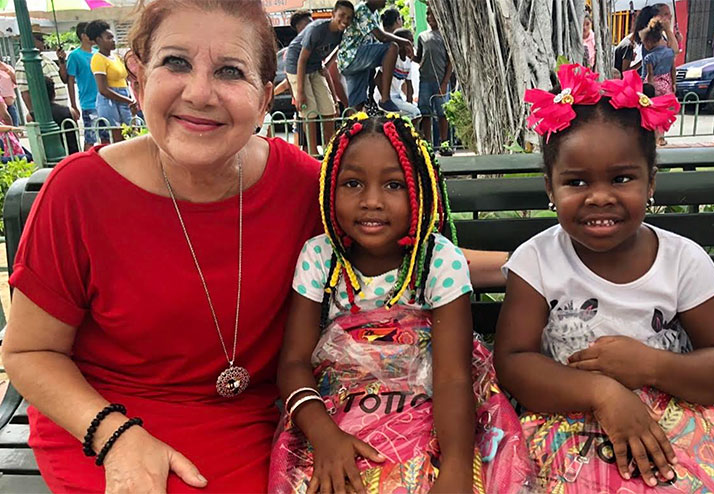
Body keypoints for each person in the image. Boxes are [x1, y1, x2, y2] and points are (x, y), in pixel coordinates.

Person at [0, 1, 508, 492]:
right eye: (175, 62)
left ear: (267, 96)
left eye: (229, 72)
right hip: (109, 422)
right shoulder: (80, 192)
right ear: (136, 76)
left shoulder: (307, 186)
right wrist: (117, 438)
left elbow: (403, 257)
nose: (200, 93)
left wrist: (537, 266)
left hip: (262, 419)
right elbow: (29, 351)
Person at [498, 64, 714, 493]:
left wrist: (652, 365)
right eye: (576, 181)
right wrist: (603, 393)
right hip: (568, 413)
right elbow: (514, 363)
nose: (600, 196)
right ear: (550, 188)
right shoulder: (538, 261)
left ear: (651, 181)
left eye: (622, 178)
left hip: (673, 418)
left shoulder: (680, 261)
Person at [270, 114, 531, 494]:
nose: (371, 201)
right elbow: (293, 363)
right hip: (334, 412)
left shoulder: (438, 261)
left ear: (420, 190)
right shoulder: (321, 258)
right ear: (329, 190)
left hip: (433, 405)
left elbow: (452, 377)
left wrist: (456, 466)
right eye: (353, 183)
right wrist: (324, 435)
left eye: (394, 184)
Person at [285, 0, 354, 156]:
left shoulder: (341, 34)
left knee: (329, 108)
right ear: (333, 14)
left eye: (349, 18)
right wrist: (300, 92)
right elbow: (302, 60)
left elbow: (331, 57)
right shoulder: (317, 30)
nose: (345, 21)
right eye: (342, 15)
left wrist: (324, 68)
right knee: (310, 110)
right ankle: (312, 151)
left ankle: (330, 148)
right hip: (297, 66)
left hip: (315, 67)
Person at [336, 0, 414, 112]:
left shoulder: (375, 14)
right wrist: (405, 42)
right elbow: (381, 37)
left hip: (353, 61)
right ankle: (385, 99)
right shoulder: (362, 10)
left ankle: (350, 126)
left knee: (356, 105)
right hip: (352, 56)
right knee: (392, 47)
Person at [88, 20, 138, 144]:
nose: (113, 40)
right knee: (118, 137)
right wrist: (127, 100)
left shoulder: (115, 57)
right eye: (108, 38)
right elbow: (103, 89)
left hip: (124, 96)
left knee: (132, 132)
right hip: (110, 101)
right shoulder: (98, 59)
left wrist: (130, 97)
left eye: (112, 37)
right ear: (99, 40)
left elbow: (124, 79)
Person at [415, 9, 452, 154]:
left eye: (432, 13)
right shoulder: (422, 36)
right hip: (425, 80)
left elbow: (450, 62)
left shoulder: (445, 36)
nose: (430, 17)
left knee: (442, 113)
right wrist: (411, 56)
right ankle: (428, 144)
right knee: (425, 112)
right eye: (427, 14)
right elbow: (419, 57)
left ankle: (444, 143)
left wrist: (445, 83)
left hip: (441, 80)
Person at [67, 22, 109, 149]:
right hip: (88, 103)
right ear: (84, 36)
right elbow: (70, 80)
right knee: (90, 137)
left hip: (104, 100)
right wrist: (74, 105)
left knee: (106, 136)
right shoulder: (75, 56)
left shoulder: (99, 53)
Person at [15, 29, 72, 122]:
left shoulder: (46, 59)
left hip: (60, 109)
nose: (43, 41)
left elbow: (64, 78)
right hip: (46, 113)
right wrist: (35, 115)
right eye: (40, 39)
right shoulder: (22, 64)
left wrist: (61, 61)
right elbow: (25, 92)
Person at [641, 19, 676, 146]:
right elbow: (673, 70)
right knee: (663, 113)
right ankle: (661, 137)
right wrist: (673, 84)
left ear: (649, 42)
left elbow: (649, 75)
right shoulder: (670, 52)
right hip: (667, 85)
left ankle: (653, 137)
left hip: (654, 86)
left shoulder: (649, 57)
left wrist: (646, 88)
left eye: (644, 43)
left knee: (653, 113)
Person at [374, 28, 421, 121]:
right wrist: (384, 98)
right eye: (408, 41)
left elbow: (409, 85)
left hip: (398, 95)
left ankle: (407, 131)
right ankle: (408, 133)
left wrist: (409, 103)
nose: (411, 44)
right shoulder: (392, 58)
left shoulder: (408, 61)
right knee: (415, 112)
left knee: (415, 109)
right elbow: (377, 78)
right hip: (385, 96)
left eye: (412, 41)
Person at [0, 60, 19, 126]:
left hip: (9, 104)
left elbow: (17, 81)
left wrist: (7, 70)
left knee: (14, 127)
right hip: (1, 105)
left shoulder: (7, 68)